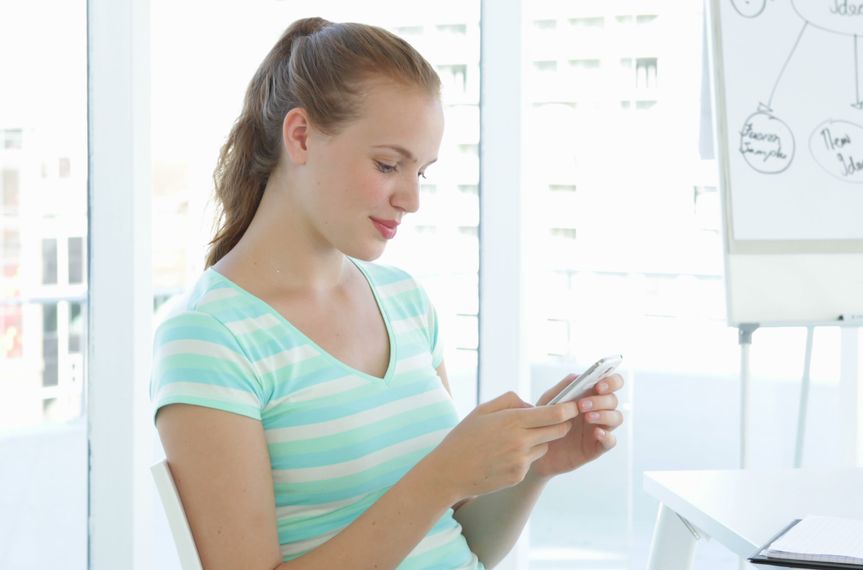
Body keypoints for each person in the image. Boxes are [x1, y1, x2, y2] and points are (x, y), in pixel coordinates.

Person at [150, 17, 624, 570]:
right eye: (387, 164)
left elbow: (457, 545)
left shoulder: (405, 302)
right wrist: (443, 473)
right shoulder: (209, 338)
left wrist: (537, 466)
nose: (411, 199)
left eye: (420, 172)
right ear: (300, 136)